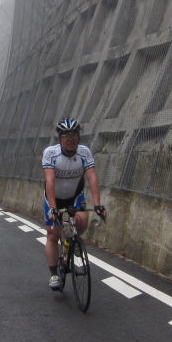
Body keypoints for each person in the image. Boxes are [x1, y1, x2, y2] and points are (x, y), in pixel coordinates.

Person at [42, 117, 107, 290]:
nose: (70, 138)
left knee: (82, 221)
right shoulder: (50, 153)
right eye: (66, 135)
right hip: (54, 197)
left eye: (74, 134)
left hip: (74, 196)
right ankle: (54, 274)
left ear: (79, 136)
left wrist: (98, 205)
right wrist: (54, 208)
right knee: (53, 234)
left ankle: (73, 242)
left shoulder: (84, 152)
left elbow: (92, 178)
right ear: (60, 138)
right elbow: (49, 181)